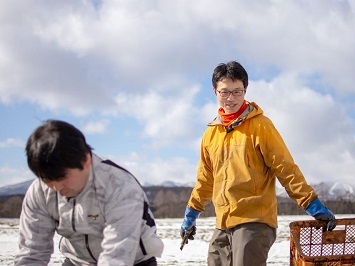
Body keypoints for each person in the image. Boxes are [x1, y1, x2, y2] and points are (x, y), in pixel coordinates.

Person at [180, 61, 335, 266]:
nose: (231, 98)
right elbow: (205, 179)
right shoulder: (211, 134)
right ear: (215, 91)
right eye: (225, 92)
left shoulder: (261, 126)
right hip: (223, 222)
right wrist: (191, 214)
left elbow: (285, 168)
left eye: (237, 91)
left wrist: (311, 204)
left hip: (254, 221)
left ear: (246, 90)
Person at [15, 120, 164, 266]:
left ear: (85, 160)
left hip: (133, 260)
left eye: (62, 177)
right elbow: (32, 253)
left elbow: (117, 257)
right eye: (47, 180)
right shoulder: (39, 192)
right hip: (77, 261)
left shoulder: (120, 187)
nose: (56, 188)